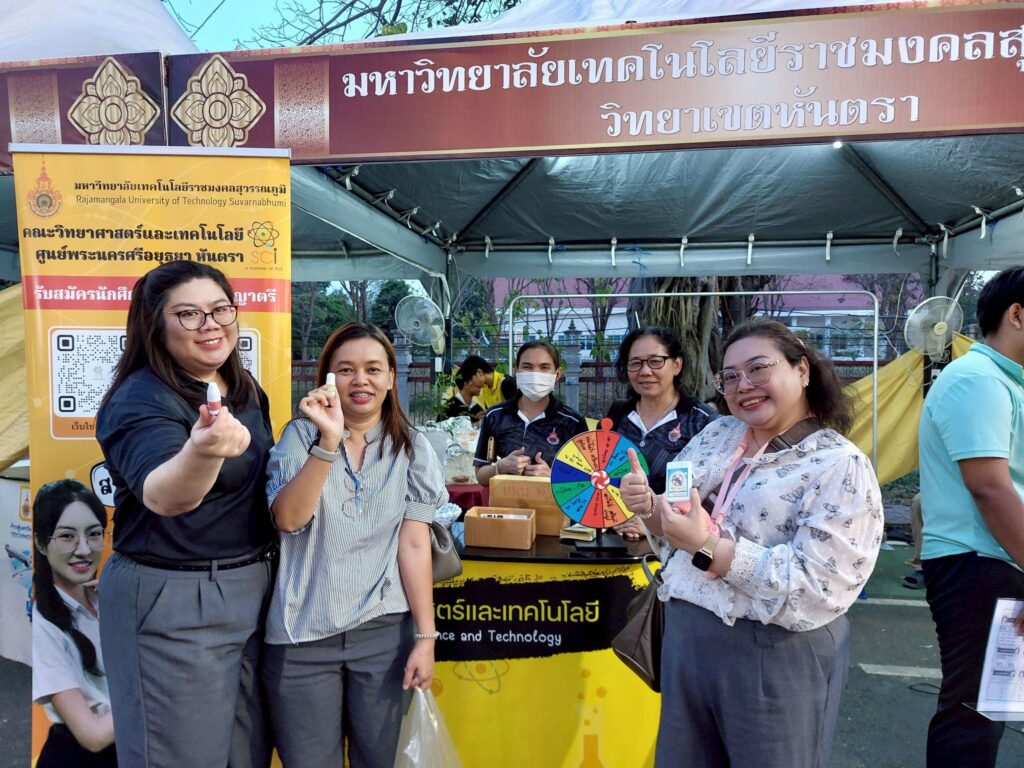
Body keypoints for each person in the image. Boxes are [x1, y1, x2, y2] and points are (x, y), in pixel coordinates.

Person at [620, 318, 883, 768]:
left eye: (759, 369)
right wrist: (647, 506)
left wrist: (707, 546)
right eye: (730, 376)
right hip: (686, 639)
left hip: (772, 650)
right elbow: (677, 524)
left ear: (802, 370)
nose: (744, 385)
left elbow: (817, 586)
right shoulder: (717, 435)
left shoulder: (838, 465)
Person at [95, 261, 275, 768]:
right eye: (189, 314)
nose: (210, 324)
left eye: (220, 309)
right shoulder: (140, 399)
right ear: (155, 324)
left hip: (254, 589)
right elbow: (164, 494)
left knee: (247, 755)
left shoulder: (242, 387)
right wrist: (203, 450)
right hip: (174, 599)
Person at [263, 322, 446, 768]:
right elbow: (289, 519)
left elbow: (414, 545)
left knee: (379, 758)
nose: (360, 380)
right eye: (345, 370)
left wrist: (426, 638)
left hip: (383, 633)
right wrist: (328, 441)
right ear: (327, 378)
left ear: (391, 378)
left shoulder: (412, 447)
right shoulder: (300, 437)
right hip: (301, 634)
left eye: (373, 369)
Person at [918, 267, 1024, 768]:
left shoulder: (1002, 381)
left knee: (991, 710)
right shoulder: (977, 379)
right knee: (974, 717)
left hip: (997, 560)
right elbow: (990, 487)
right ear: (1017, 315)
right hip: (980, 563)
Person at [32, 480, 116, 767]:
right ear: (41, 543)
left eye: (94, 534)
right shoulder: (42, 626)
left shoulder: (109, 601)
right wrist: (159, 695)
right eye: (67, 536)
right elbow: (92, 736)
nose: (83, 549)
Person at [606, 326, 718, 541]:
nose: (645, 371)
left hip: (676, 545)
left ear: (676, 365)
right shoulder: (618, 414)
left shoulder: (702, 422)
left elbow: (710, 497)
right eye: (635, 363)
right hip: (616, 539)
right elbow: (601, 475)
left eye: (655, 361)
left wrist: (652, 523)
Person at [474, 340, 587, 486]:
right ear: (517, 371)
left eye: (544, 367)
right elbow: (480, 474)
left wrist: (554, 476)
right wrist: (500, 467)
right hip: (505, 500)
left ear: (557, 374)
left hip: (551, 501)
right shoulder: (495, 416)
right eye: (527, 367)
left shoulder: (573, 422)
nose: (535, 374)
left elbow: (586, 480)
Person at [437, 354, 493, 423]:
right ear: (467, 382)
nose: (481, 385)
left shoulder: (478, 409)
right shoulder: (449, 408)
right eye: (476, 376)